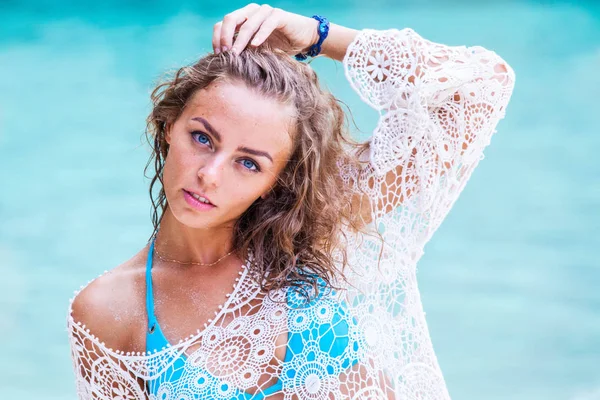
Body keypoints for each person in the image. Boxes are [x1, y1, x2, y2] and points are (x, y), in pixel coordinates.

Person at [67, 3, 515, 399]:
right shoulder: (110, 310)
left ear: (276, 179)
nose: (209, 174)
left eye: (249, 163)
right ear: (169, 126)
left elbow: (481, 87)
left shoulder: (315, 228)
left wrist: (319, 36)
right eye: (202, 138)